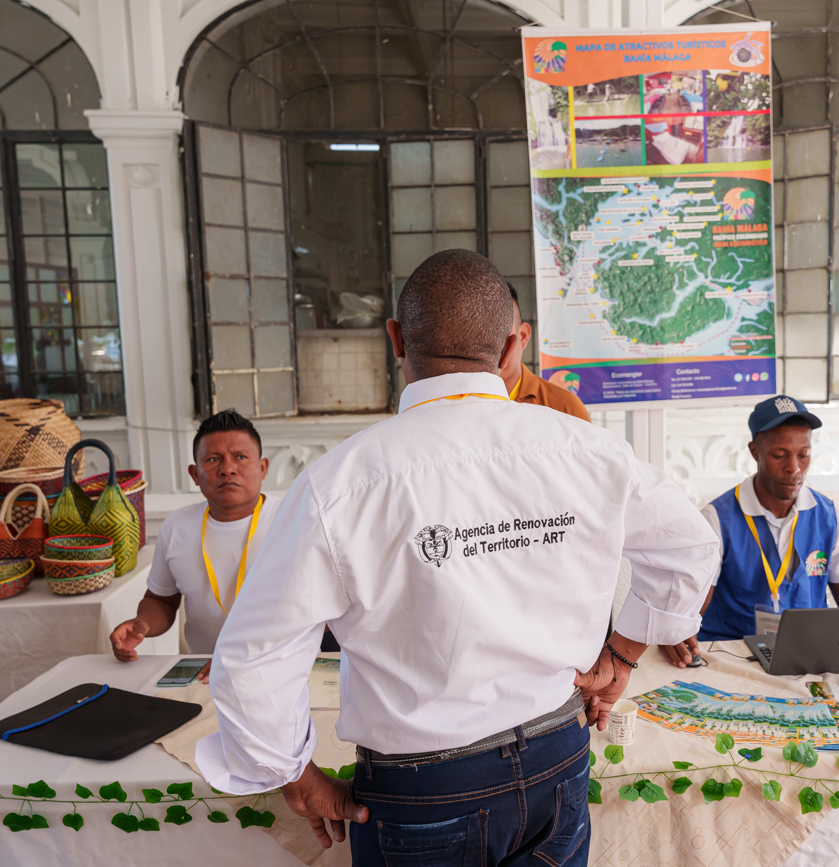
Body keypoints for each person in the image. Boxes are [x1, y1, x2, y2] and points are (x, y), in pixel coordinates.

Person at [196, 249, 718, 864]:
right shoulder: (588, 451)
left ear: (396, 339)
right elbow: (690, 549)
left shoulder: (338, 485)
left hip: (424, 790)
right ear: (508, 350)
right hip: (560, 760)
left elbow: (255, 656)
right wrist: (623, 655)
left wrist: (295, 777)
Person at [660, 395, 839, 668]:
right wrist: (673, 633)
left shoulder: (828, 515)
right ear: (754, 451)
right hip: (733, 654)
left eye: (804, 454)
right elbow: (692, 611)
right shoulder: (717, 519)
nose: (794, 468)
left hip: (809, 655)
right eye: (779, 455)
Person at [109, 409, 280, 681]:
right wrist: (142, 624)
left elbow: (323, 608)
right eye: (213, 459)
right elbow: (161, 600)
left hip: (279, 667)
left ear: (262, 468)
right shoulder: (178, 526)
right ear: (195, 474)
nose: (227, 469)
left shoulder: (293, 522)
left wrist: (246, 659)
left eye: (241, 457)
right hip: (204, 674)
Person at [499, 284, 590, 421]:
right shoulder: (457, 404)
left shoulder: (564, 408)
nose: (488, 348)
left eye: (500, 335)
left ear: (523, 336)